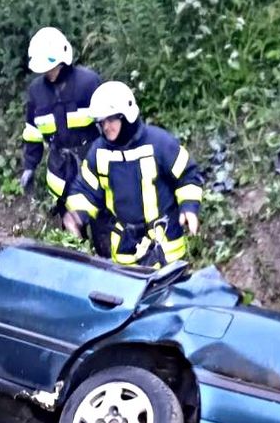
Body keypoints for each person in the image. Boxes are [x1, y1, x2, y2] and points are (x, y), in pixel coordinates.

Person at [64, 81, 203, 267]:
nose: (106, 127)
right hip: (124, 247)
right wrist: (76, 215)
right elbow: (86, 189)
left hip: (165, 246)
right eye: (101, 122)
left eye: (111, 119)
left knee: (169, 295)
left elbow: (187, 175)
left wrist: (189, 208)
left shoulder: (159, 143)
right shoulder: (98, 152)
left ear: (127, 115)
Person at [20, 27, 105, 248]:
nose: (48, 72)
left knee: (102, 224)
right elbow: (32, 132)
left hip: (92, 164)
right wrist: (30, 166)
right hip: (61, 170)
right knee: (71, 233)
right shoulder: (36, 92)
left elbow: (109, 126)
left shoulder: (88, 83)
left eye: (51, 67)